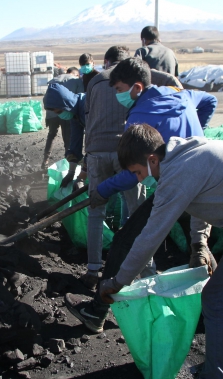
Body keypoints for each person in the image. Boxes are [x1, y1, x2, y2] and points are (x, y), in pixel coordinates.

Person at [99, 124, 223, 379]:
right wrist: (199, 243)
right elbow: (202, 199)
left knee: (216, 301)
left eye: (138, 172)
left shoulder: (176, 173)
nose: (140, 179)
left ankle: (216, 374)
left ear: (151, 159)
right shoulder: (185, 153)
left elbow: (150, 236)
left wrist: (119, 281)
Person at [64, 57, 218, 333]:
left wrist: (103, 189)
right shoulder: (180, 95)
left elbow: (135, 170)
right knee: (198, 247)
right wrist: (198, 134)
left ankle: (96, 311)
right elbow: (210, 102)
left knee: (126, 242)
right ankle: (213, 313)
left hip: (174, 188)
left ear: (137, 87)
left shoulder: (139, 116)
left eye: (119, 88)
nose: (117, 94)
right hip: (201, 185)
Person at [78, 46, 147, 289]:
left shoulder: (95, 81)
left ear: (106, 61)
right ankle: (143, 270)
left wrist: (86, 160)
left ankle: (93, 269)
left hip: (96, 151)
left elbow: (88, 119)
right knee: (136, 212)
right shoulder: (131, 80)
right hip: (126, 152)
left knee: (96, 211)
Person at [42, 83, 87, 188]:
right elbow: (75, 140)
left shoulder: (86, 107)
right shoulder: (74, 112)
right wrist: (71, 172)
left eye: (60, 111)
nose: (60, 115)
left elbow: (94, 144)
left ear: (66, 104)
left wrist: (82, 176)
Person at [42, 67, 84, 169]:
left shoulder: (54, 80)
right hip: (67, 110)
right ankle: (69, 163)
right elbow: (79, 97)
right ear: (75, 73)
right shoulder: (76, 80)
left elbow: (46, 99)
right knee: (68, 138)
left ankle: (45, 161)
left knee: (51, 135)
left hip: (51, 113)